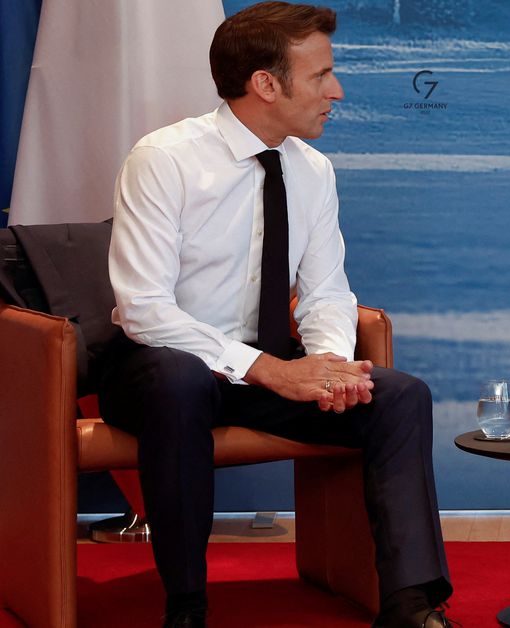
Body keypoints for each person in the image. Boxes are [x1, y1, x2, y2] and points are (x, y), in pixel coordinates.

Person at [101, 3, 453, 627]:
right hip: (159, 371)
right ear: (266, 83)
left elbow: (326, 292)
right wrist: (271, 370)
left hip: (266, 372)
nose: (337, 91)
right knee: (181, 380)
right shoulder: (164, 159)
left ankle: (411, 606)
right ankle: (186, 608)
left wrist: (329, 367)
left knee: (401, 396)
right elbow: (144, 309)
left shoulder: (312, 169)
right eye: (321, 76)